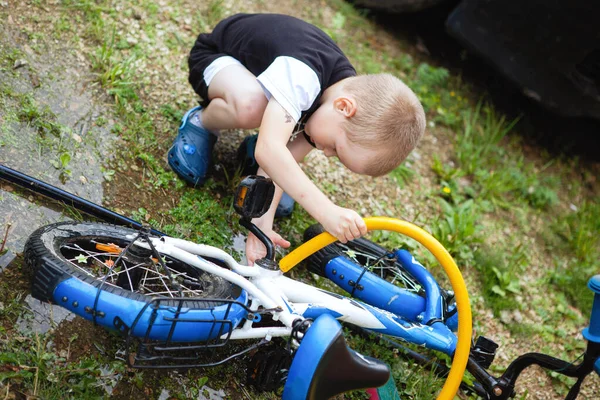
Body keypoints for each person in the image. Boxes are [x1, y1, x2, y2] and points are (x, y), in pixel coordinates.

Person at [168, 13, 426, 265]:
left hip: (258, 85)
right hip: (218, 60)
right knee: (252, 106)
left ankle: (266, 133)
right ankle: (203, 122)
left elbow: (284, 159)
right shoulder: (303, 75)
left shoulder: (335, 109)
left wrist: (260, 226)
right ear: (344, 107)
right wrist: (326, 211)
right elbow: (269, 152)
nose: (326, 153)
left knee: (280, 162)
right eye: (335, 148)